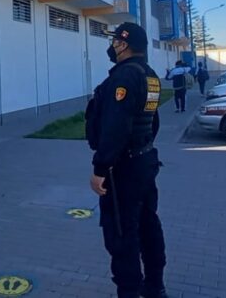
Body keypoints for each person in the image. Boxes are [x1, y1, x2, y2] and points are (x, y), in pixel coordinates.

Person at [86, 22, 167, 298]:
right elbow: (151, 122)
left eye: (114, 42)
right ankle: (155, 287)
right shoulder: (150, 76)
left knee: (121, 233)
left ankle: (130, 291)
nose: (111, 47)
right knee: (148, 224)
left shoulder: (123, 78)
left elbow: (115, 127)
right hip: (145, 161)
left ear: (122, 44)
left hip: (123, 170)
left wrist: (100, 167)